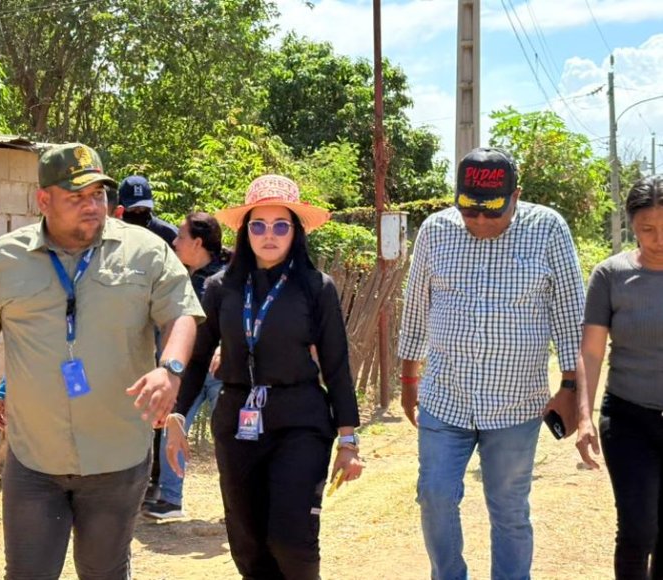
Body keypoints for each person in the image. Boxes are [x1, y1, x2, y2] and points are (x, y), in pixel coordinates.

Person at [0, 143, 202, 580]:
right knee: (27, 574)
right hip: (34, 459)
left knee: (104, 572)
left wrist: (171, 369)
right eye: (76, 196)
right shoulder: (4, 260)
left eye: (98, 194)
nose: (92, 206)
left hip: (118, 456)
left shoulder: (145, 251)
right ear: (43, 200)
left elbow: (181, 313)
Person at [398, 146, 586, 580]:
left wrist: (571, 387)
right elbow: (417, 308)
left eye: (492, 212)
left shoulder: (548, 229)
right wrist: (409, 378)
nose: (480, 221)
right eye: (470, 211)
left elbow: (569, 313)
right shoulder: (436, 230)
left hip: (516, 405)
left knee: (509, 509)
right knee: (434, 496)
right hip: (445, 397)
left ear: (515, 196)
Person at [165, 175, 363, 579]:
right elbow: (198, 358)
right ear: (245, 232)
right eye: (258, 225)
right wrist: (178, 415)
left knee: (291, 539)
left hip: (301, 420)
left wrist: (348, 440)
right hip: (237, 421)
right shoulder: (220, 288)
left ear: (296, 231)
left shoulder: (316, 288)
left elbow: (337, 365)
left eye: (280, 225)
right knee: (248, 543)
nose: (268, 235)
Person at [576, 174, 663, 578]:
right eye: (648, 229)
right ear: (632, 226)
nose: (658, 239)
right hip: (629, 417)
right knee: (638, 530)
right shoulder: (610, 275)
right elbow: (591, 352)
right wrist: (584, 417)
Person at [143, 212, 229, 520]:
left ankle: (240, 503)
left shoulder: (227, 280)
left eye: (181, 236)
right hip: (186, 372)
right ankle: (170, 499)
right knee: (173, 427)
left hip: (220, 373)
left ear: (197, 242)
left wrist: (225, 347)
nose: (175, 242)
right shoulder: (180, 277)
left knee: (230, 440)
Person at [117, 174, 178, 502]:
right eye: (133, 212)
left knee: (155, 399)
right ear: (121, 209)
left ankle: (154, 477)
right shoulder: (109, 235)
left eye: (144, 211)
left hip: (158, 326)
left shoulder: (167, 234)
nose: (139, 217)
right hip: (121, 328)